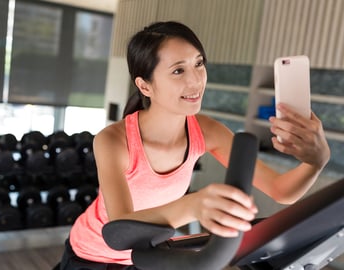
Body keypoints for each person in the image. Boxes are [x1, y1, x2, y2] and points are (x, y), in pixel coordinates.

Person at [55, 21, 330, 269]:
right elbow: (121, 228)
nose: (196, 80)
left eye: (199, 64)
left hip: (148, 255)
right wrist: (195, 205)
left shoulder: (205, 130)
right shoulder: (113, 140)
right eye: (178, 70)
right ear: (145, 86)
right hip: (92, 255)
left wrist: (316, 161)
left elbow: (281, 190)